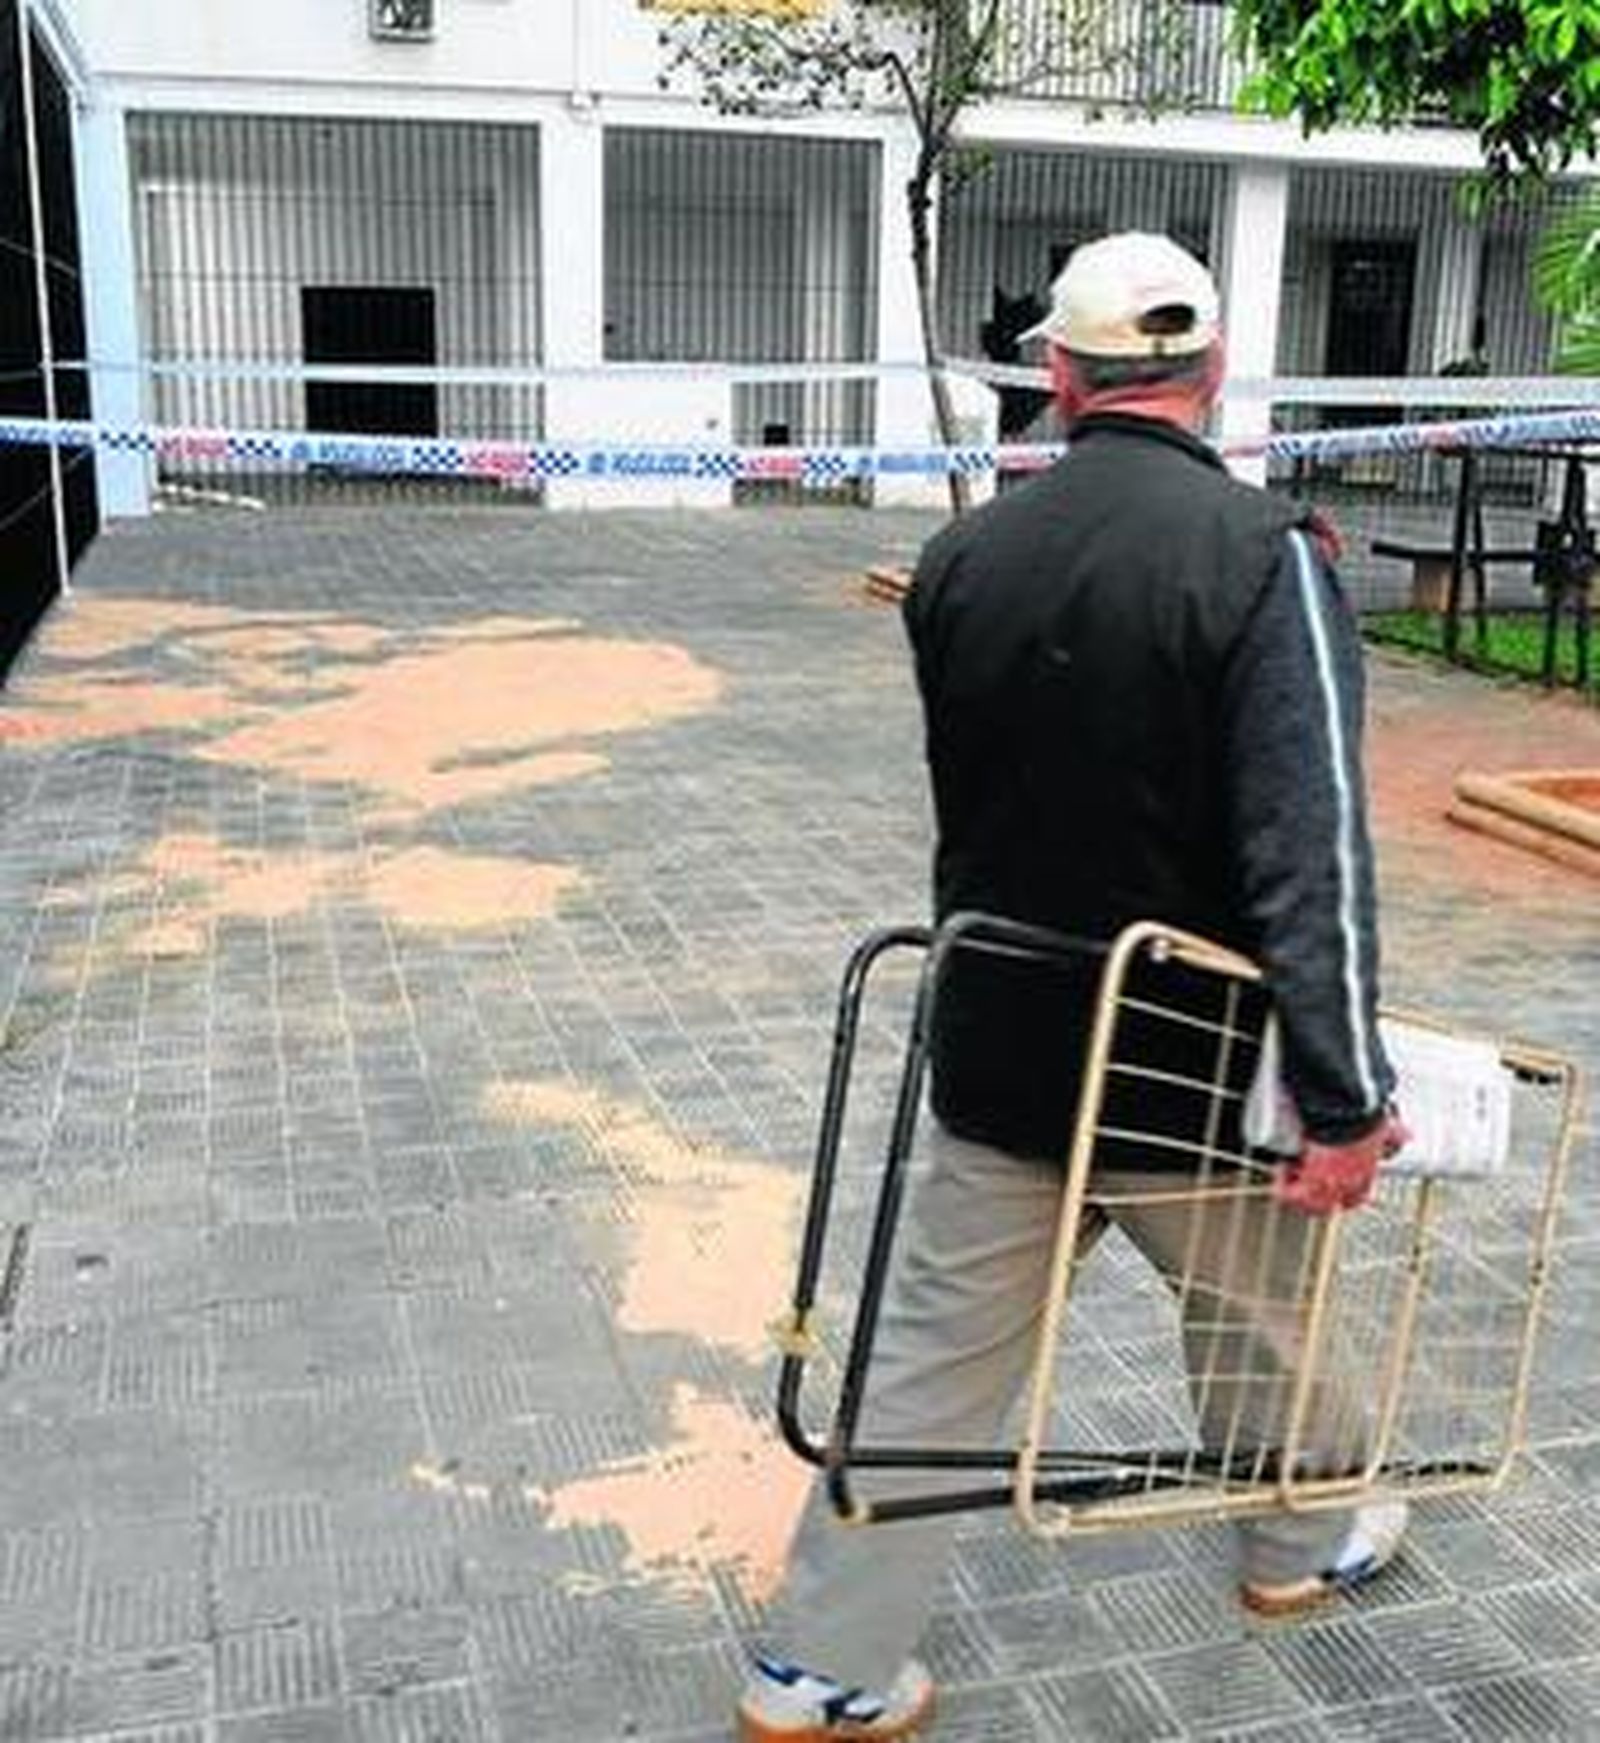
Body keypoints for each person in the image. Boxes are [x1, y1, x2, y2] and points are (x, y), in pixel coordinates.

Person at [737, 232, 1409, 1742]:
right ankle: (1298, 1549)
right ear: (1214, 370)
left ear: (1056, 376)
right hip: (1187, 1049)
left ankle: (820, 1670)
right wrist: (1347, 1093)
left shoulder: (963, 561)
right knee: (1264, 1316)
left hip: (1002, 1036)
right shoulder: (1267, 560)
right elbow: (1314, 853)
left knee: (926, 1364)